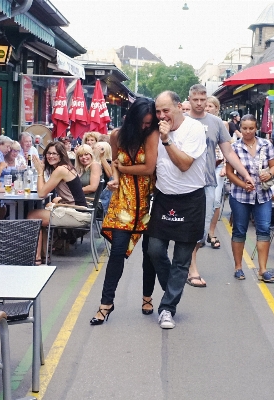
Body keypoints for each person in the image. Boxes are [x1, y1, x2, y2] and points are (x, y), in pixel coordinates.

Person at [92, 98, 159, 325]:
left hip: (149, 198)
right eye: (142, 122)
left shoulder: (152, 135)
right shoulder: (116, 136)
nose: (145, 127)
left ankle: (147, 297)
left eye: (149, 123)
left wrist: (123, 169)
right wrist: (115, 177)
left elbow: (149, 168)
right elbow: (114, 167)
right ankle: (105, 304)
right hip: (123, 199)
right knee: (117, 251)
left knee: (150, 252)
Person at [148, 91, 207, 329]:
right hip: (164, 198)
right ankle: (172, 288)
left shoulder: (193, 130)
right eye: (158, 112)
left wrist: (166, 140)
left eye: (166, 111)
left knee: (182, 260)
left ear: (179, 107)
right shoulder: (156, 129)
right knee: (154, 250)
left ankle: (167, 308)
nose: (162, 116)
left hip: (191, 199)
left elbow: (184, 165)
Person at [184, 84, 253, 288]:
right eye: (195, 99)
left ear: (207, 100)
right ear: (189, 99)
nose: (199, 103)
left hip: (206, 182)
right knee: (186, 226)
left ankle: (188, 262)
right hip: (184, 183)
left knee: (202, 228)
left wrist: (245, 174)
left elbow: (229, 152)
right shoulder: (182, 121)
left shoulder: (216, 123)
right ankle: (190, 267)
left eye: (202, 99)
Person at [226, 114, 274, 283]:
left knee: (264, 228)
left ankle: (263, 269)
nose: (248, 131)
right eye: (244, 128)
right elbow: (229, 173)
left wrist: (269, 173)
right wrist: (243, 184)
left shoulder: (266, 144)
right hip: (240, 195)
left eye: (251, 128)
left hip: (263, 195)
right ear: (240, 128)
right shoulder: (235, 147)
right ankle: (238, 267)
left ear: (256, 129)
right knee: (239, 229)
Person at [27, 142, 88, 265]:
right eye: (48, 153)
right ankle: (43, 256)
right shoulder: (64, 167)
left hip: (78, 214)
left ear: (61, 155)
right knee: (41, 215)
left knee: (33, 215)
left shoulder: (61, 169)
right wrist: (59, 201)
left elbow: (42, 193)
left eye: (54, 153)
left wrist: (40, 172)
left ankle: (37, 257)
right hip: (77, 209)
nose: (51, 156)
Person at [204, 96, 229, 250]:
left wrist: (226, 166)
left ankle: (211, 232)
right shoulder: (198, 121)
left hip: (218, 166)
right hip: (203, 166)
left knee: (216, 200)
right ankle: (200, 231)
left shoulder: (222, 123)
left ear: (217, 108)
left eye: (211, 106)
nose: (207, 108)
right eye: (206, 105)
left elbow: (227, 148)